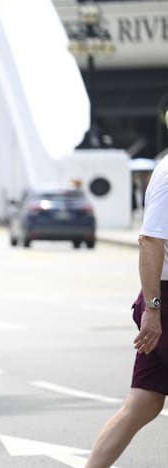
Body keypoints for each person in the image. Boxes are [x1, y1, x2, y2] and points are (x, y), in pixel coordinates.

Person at [84, 154, 168, 468]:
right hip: (164, 298)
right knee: (141, 404)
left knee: (143, 403)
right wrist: (153, 308)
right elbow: (150, 240)